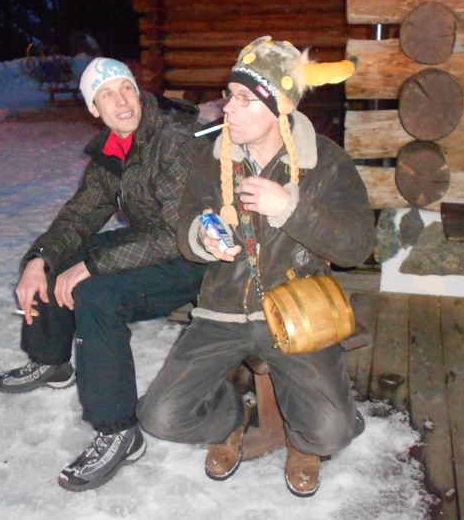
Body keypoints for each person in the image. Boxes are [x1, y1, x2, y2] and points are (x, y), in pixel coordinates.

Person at [137, 36, 375, 497]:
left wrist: (291, 209)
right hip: (223, 308)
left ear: (279, 106)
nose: (228, 108)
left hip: (298, 310)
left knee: (332, 432)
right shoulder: (211, 158)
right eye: (230, 95)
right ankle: (230, 419)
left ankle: (303, 440)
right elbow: (187, 224)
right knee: (160, 416)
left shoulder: (326, 161)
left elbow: (358, 246)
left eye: (244, 99)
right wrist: (202, 238)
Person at [0, 57, 206, 492]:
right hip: (154, 241)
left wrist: (92, 267)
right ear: (94, 108)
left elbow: (176, 234)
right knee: (59, 260)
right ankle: (51, 361)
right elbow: (80, 215)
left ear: (138, 92)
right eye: (106, 95)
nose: (121, 101)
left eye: (126, 89)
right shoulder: (112, 150)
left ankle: (119, 431)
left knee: (95, 293)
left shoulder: (173, 139)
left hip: (198, 255)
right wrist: (39, 259)